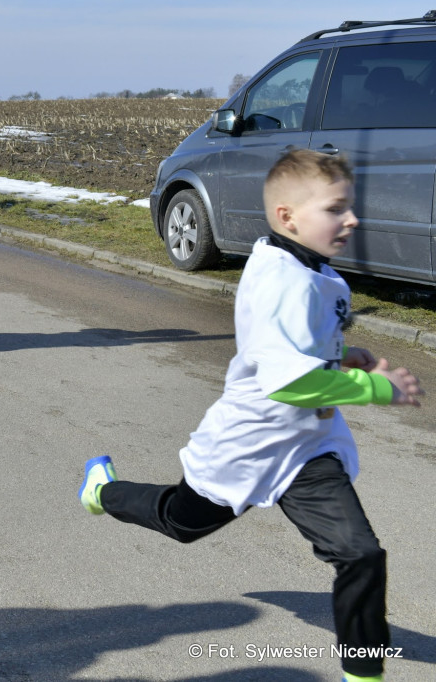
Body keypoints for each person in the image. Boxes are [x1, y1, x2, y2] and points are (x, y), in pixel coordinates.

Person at [77, 149, 424, 682]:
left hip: (307, 449)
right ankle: (102, 490)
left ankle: (364, 673)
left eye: (349, 207)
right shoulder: (280, 279)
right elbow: (289, 381)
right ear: (288, 217)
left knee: (360, 555)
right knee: (180, 523)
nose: (351, 219)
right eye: (335, 209)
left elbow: (305, 352)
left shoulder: (319, 273)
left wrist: (341, 356)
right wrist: (375, 386)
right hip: (248, 442)